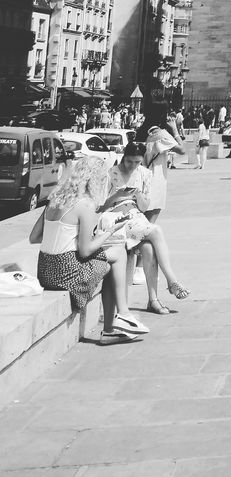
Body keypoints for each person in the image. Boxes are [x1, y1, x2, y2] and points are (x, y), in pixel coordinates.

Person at [29, 157, 149, 342]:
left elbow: (34, 237)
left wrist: (65, 238)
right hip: (67, 273)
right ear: (95, 180)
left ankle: (117, 323)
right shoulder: (84, 205)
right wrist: (109, 232)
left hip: (46, 270)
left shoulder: (55, 199)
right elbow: (85, 251)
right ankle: (119, 319)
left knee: (110, 261)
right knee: (118, 253)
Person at [104, 143, 189, 314]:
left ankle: (154, 300)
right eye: (129, 161)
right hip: (116, 218)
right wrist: (117, 196)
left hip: (136, 217)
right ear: (124, 157)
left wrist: (137, 194)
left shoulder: (144, 174)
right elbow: (102, 205)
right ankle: (171, 280)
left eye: (137, 162)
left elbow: (143, 207)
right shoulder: (111, 173)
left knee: (149, 248)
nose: (133, 166)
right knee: (156, 230)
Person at [144, 125, 185, 221]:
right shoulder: (161, 134)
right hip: (156, 177)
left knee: (146, 217)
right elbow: (182, 150)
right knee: (151, 216)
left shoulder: (150, 135)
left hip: (147, 176)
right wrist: (175, 130)